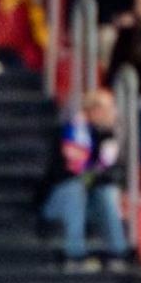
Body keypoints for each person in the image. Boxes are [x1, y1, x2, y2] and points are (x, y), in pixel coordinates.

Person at [41, 89, 131, 272]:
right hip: (60, 202)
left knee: (106, 193)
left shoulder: (107, 138)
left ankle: (118, 253)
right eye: (109, 108)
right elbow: (68, 174)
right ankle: (74, 255)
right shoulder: (70, 133)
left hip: (90, 204)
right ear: (94, 110)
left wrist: (98, 171)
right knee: (75, 188)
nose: (113, 113)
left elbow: (109, 174)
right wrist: (93, 174)